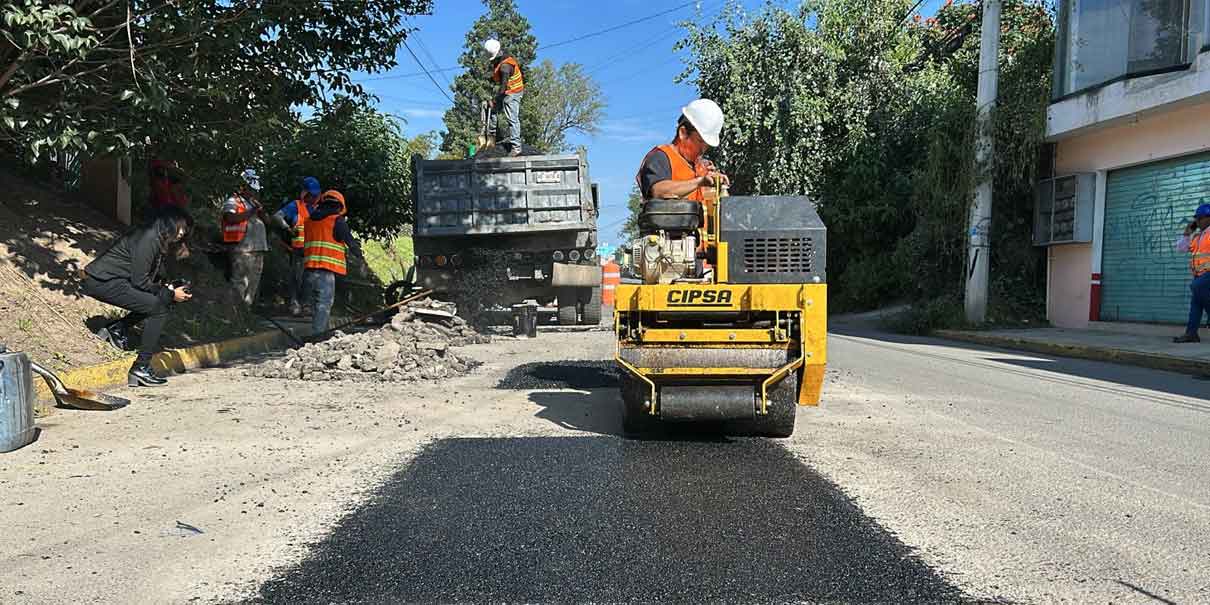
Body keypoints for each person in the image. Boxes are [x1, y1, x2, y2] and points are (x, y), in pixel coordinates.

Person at [83, 207, 195, 387]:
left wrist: (167, 289)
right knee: (159, 308)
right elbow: (140, 282)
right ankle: (140, 367)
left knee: (162, 301)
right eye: (181, 227)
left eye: (185, 230)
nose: (182, 233)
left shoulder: (156, 239)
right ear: (170, 223)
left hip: (114, 281)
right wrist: (170, 293)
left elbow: (145, 280)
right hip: (102, 282)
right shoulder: (149, 238)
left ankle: (117, 329)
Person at [635, 98, 730, 207]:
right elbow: (658, 191)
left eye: (707, 145)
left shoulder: (702, 167)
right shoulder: (661, 157)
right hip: (669, 224)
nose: (703, 150)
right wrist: (699, 182)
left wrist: (717, 186)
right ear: (683, 133)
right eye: (700, 142)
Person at [303, 190, 362, 334]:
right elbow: (350, 242)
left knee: (314, 305)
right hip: (325, 273)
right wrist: (360, 256)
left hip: (308, 271)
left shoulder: (309, 220)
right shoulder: (336, 220)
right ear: (339, 206)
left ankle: (315, 334)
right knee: (323, 304)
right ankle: (316, 338)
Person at [272, 176, 322, 316]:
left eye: (315, 195)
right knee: (295, 277)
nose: (313, 197)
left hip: (314, 251)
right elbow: (277, 217)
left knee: (310, 279)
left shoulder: (318, 209)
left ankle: (306, 305)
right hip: (298, 250)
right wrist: (288, 229)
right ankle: (294, 304)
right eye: (311, 194)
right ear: (305, 193)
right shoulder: (295, 206)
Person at [221, 169, 268, 307]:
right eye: (251, 189)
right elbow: (229, 217)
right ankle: (235, 311)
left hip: (258, 248)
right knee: (239, 282)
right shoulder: (233, 201)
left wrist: (260, 211)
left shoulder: (253, 204)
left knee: (253, 284)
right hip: (242, 248)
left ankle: (246, 312)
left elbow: (268, 221)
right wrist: (252, 211)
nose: (254, 192)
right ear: (243, 187)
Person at [1172, 203, 1210, 343]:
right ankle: (1191, 333)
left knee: (1196, 287)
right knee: (1196, 303)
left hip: (1208, 275)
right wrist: (1187, 233)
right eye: (1196, 219)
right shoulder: (1198, 236)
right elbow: (1181, 248)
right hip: (1200, 274)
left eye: (1200, 218)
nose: (1197, 222)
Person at [484, 39, 524, 156]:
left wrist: (494, 100)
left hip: (513, 92)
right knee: (493, 111)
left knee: (512, 119)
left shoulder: (505, 66)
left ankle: (516, 147)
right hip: (507, 90)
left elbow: (503, 87)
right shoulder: (502, 58)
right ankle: (491, 141)